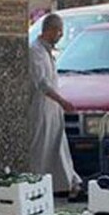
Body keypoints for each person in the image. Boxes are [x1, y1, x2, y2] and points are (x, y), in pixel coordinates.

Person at [29, 13, 81, 197]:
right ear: (50, 30)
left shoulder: (47, 51)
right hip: (41, 107)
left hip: (53, 108)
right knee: (41, 148)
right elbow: (41, 83)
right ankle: (37, 186)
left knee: (58, 145)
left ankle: (70, 183)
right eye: (59, 32)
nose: (60, 36)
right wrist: (61, 100)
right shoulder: (35, 51)